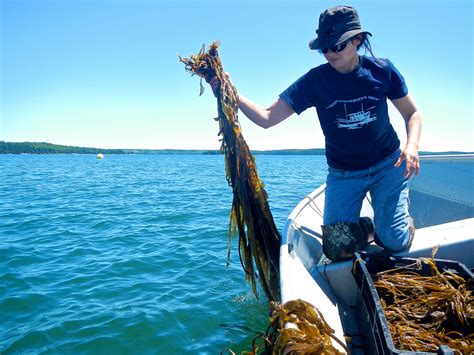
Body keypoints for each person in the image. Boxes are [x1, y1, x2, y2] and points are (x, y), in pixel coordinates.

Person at [210, 5, 422, 261]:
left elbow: (413, 114)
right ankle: (368, 227)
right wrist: (229, 92)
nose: (330, 53)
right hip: (344, 174)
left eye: (337, 46)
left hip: (389, 164)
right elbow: (267, 118)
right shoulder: (314, 81)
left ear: (357, 39)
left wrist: (412, 147)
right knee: (336, 250)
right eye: (325, 47)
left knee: (394, 242)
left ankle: (396, 224)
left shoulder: (382, 70)